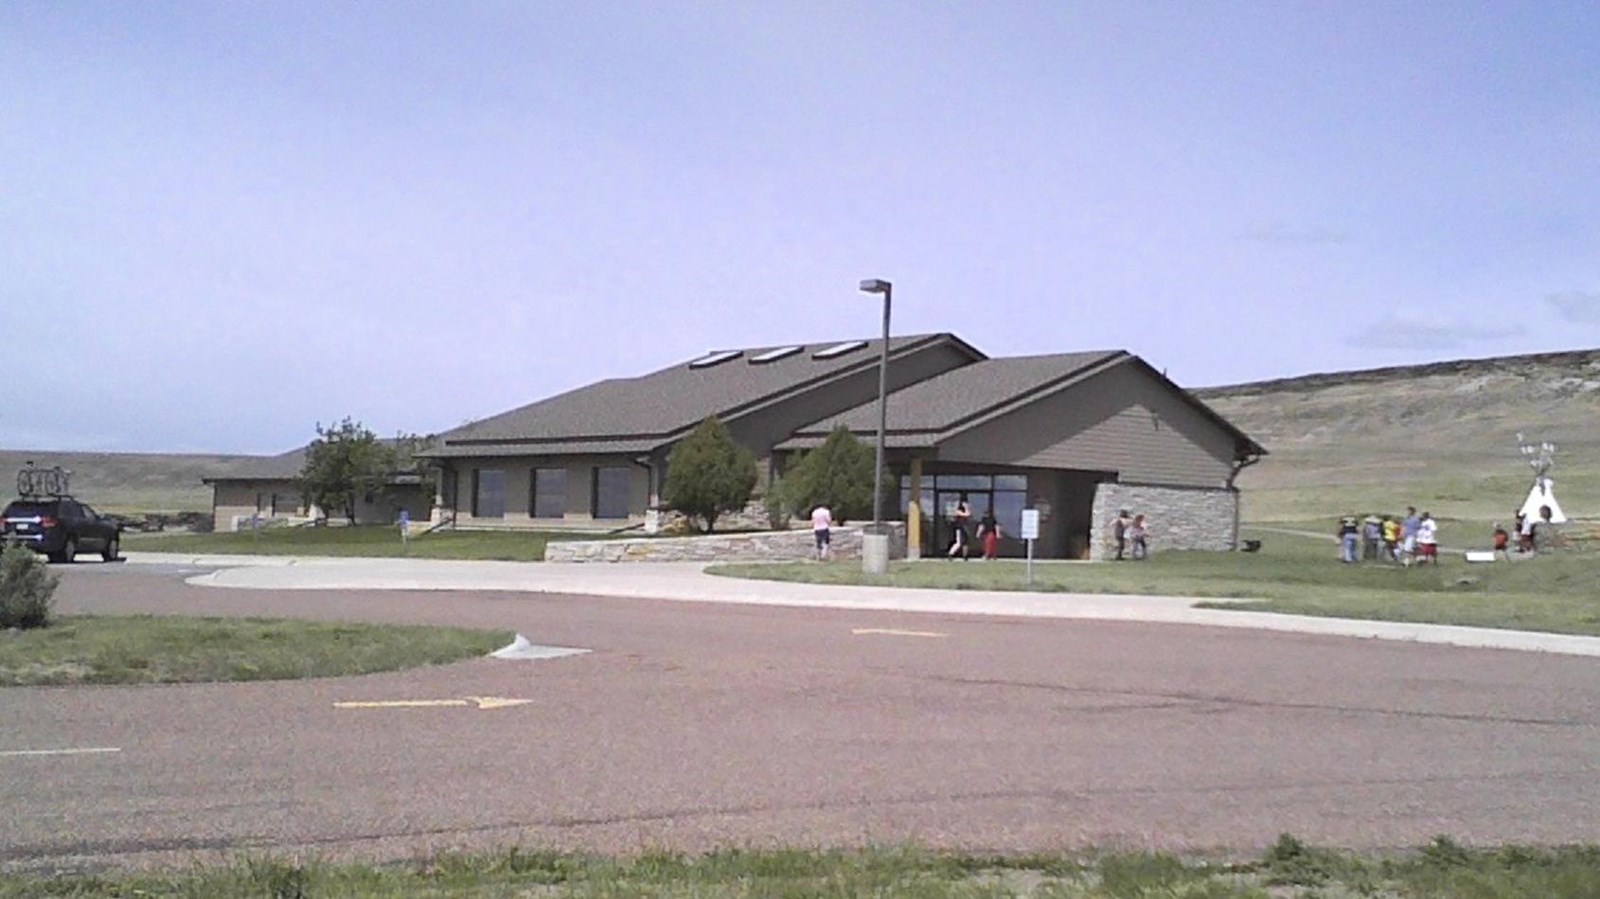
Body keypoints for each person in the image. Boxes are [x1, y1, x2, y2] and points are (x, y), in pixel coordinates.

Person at [948, 492, 972, 560]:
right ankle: (950, 554)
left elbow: (969, 514)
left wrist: (967, 507)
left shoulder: (966, 510)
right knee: (959, 542)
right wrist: (966, 507)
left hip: (965, 528)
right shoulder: (958, 511)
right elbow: (967, 514)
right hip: (959, 528)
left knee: (966, 542)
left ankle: (965, 556)